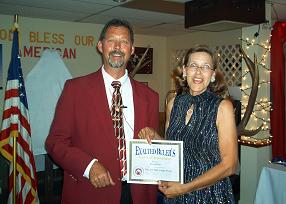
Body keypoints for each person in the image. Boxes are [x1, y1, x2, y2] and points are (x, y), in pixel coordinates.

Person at [45, 18, 159, 204]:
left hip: (138, 194)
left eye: (124, 42)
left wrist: (158, 141)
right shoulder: (75, 89)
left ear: (131, 49)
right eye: (111, 40)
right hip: (91, 192)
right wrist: (88, 166)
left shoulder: (150, 96)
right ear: (100, 46)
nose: (117, 47)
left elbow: (153, 145)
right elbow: (55, 143)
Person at [139, 45, 237, 203]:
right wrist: (154, 136)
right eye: (193, 65)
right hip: (176, 191)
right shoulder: (173, 103)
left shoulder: (222, 107)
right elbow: (173, 149)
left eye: (205, 67)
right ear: (184, 71)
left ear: (212, 74)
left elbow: (230, 165)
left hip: (210, 194)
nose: (198, 72)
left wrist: (186, 187)